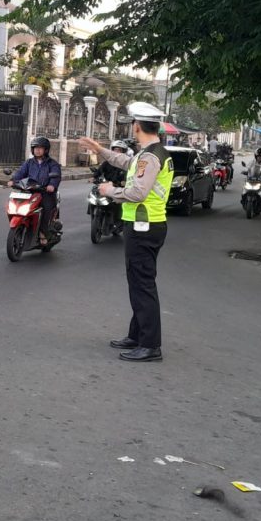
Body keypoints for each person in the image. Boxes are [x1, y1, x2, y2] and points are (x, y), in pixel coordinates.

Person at [79, 102, 175, 363]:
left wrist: (110, 191)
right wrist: (99, 150)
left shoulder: (151, 156)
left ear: (137, 126)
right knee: (138, 283)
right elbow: (125, 162)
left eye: (133, 124)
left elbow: (137, 192)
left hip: (145, 228)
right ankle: (137, 335)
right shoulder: (151, 153)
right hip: (146, 226)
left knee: (142, 285)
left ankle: (150, 345)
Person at [9, 136, 62, 244]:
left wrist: (52, 185)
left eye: (40, 148)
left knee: (46, 208)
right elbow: (20, 172)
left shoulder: (52, 164)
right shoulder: (29, 162)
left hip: (45, 192)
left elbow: (56, 176)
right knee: (16, 203)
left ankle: (43, 233)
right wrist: (13, 180)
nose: (37, 150)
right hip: (30, 190)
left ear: (45, 150)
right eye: (35, 148)